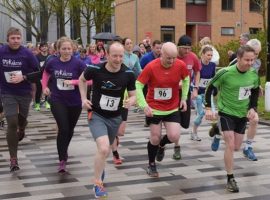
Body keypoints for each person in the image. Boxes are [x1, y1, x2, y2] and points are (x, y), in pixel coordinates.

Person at [78, 42, 136, 198]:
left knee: (106, 150)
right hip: (96, 115)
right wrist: (84, 99)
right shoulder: (95, 69)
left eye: (121, 56)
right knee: (103, 148)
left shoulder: (128, 73)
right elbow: (81, 80)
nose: (118, 59)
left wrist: (131, 101)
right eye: (114, 56)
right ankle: (97, 184)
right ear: (107, 55)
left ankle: (99, 172)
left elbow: (133, 95)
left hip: (115, 117)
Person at [204, 45, 260, 193]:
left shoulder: (253, 74)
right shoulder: (225, 73)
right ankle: (230, 178)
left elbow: (254, 91)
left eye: (252, 60)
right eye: (247, 60)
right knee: (230, 144)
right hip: (226, 112)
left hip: (242, 114)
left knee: (236, 147)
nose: (249, 63)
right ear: (239, 58)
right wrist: (208, 107)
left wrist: (253, 108)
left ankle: (217, 129)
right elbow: (210, 87)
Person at [136, 42, 190, 177]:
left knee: (174, 136)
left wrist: (183, 98)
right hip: (154, 108)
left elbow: (186, 79)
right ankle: (151, 164)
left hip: (172, 107)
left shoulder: (180, 65)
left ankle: (162, 145)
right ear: (161, 54)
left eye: (174, 58)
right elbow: (138, 84)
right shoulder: (151, 67)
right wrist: (144, 105)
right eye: (168, 58)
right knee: (154, 138)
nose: (172, 61)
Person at [210, 39, 262, 160]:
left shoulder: (256, 62)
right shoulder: (235, 62)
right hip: (231, 100)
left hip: (246, 97)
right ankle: (218, 132)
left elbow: (253, 77)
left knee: (254, 119)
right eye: (253, 52)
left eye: (257, 54)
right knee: (229, 135)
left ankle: (248, 147)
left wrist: (256, 86)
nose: (254, 57)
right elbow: (225, 77)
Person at [42, 36, 87, 173]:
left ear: (73, 49)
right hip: (57, 100)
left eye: (69, 48)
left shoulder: (78, 63)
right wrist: (45, 87)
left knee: (70, 129)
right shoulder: (52, 62)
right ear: (58, 50)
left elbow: (90, 80)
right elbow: (45, 74)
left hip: (75, 101)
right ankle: (62, 159)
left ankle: (64, 149)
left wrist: (74, 82)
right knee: (63, 128)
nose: (67, 51)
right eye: (64, 49)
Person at [0, 27, 40, 172]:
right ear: (7, 39)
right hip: (7, 92)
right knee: (12, 122)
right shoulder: (2, 52)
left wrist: (23, 77)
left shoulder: (27, 54)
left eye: (18, 38)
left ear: (21, 39)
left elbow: (38, 74)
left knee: (21, 120)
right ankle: (13, 159)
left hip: (24, 92)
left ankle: (22, 127)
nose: (16, 41)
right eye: (13, 38)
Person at [171, 35, 201, 159]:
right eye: (184, 48)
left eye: (189, 48)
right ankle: (176, 147)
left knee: (185, 123)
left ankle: (171, 137)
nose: (187, 51)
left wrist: (196, 88)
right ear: (178, 47)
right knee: (175, 121)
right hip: (171, 94)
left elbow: (198, 71)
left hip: (185, 92)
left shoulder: (192, 57)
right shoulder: (172, 56)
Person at [191, 45, 216, 141]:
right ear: (202, 55)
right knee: (201, 113)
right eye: (208, 55)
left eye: (211, 55)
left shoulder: (212, 65)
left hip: (207, 93)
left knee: (213, 113)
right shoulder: (198, 64)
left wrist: (214, 89)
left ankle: (215, 131)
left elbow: (213, 79)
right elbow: (193, 79)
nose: (210, 57)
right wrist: (194, 90)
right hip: (198, 92)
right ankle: (194, 133)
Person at [34, 42, 51, 111]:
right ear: (40, 48)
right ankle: (37, 104)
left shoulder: (50, 56)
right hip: (39, 75)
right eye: (42, 46)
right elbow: (36, 66)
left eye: (45, 46)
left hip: (48, 75)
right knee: (39, 89)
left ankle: (47, 102)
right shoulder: (37, 56)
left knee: (48, 89)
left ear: (47, 47)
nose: (44, 47)